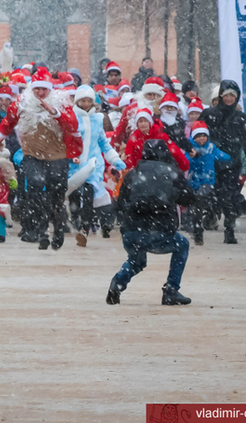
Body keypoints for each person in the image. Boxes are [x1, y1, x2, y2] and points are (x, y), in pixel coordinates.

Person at [0, 68, 81, 250]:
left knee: (56, 192)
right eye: (37, 89)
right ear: (31, 90)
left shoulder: (60, 102)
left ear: (50, 90)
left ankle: (57, 227)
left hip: (57, 155)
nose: (40, 93)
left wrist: (55, 112)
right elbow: (9, 119)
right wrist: (1, 135)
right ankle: (38, 230)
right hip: (33, 153)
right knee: (34, 184)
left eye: (44, 90)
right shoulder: (23, 102)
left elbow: (72, 124)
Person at [107, 139, 196, 306]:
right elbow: (190, 199)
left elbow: (119, 204)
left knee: (137, 261)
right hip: (159, 231)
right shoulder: (172, 172)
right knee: (182, 244)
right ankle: (171, 290)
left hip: (132, 232)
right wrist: (171, 196)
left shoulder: (133, 174)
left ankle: (117, 284)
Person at [68, 85, 126, 246]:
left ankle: (84, 228)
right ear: (78, 101)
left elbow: (103, 143)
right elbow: (66, 141)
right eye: (83, 100)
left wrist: (114, 159)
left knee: (88, 192)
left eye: (88, 100)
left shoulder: (98, 119)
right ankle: (75, 219)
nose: (86, 104)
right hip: (75, 164)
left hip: (93, 164)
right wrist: (69, 157)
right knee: (74, 195)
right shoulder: (71, 118)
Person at [200, 80, 246, 244]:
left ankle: (229, 230)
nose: (230, 98)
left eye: (233, 95)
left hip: (232, 164)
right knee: (213, 195)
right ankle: (210, 216)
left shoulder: (240, 117)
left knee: (230, 197)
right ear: (221, 96)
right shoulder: (209, 113)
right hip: (212, 163)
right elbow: (199, 134)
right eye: (226, 95)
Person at [185, 121, 231, 245]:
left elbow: (225, 157)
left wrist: (228, 157)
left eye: (203, 135)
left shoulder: (211, 148)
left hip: (207, 181)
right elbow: (185, 161)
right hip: (193, 181)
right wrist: (193, 156)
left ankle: (204, 221)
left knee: (200, 200)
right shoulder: (190, 148)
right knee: (195, 208)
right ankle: (197, 230)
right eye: (198, 136)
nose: (201, 139)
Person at [123, 108, 189, 172]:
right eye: (140, 121)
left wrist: (183, 164)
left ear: (150, 122)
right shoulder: (133, 138)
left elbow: (174, 150)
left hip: (161, 169)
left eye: (145, 121)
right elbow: (130, 157)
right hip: (142, 171)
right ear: (137, 124)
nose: (143, 124)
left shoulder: (161, 136)